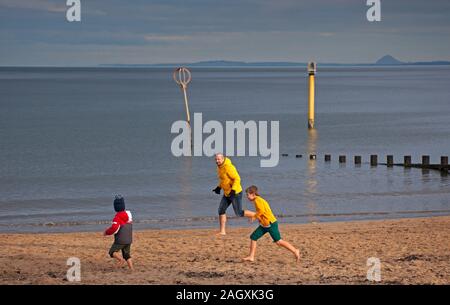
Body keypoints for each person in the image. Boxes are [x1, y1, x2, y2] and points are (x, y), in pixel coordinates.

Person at [243, 185, 300, 263]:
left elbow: (261, 211)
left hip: (271, 224)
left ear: (253, 194)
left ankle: (295, 251)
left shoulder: (257, 200)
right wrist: (259, 219)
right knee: (253, 237)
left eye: (248, 195)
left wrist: (254, 217)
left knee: (279, 242)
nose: (247, 197)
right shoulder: (258, 200)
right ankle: (251, 256)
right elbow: (263, 212)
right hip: (264, 224)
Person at [212, 153, 251, 235]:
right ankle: (222, 231)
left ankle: (257, 215)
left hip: (235, 192)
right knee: (221, 210)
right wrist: (219, 187)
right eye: (216, 159)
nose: (217, 161)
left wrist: (233, 190)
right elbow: (224, 179)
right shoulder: (219, 168)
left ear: (223, 159)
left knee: (239, 213)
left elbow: (237, 178)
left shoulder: (228, 167)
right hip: (227, 193)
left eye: (218, 159)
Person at [104, 195, 134, 270]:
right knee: (126, 254)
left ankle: (120, 260)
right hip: (129, 238)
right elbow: (128, 223)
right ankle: (131, 268)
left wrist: (106, 232)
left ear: (115, 207)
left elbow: (114, 228)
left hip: (121, 239)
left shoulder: (117, 217)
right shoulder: (128, 214)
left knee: (112, 252)